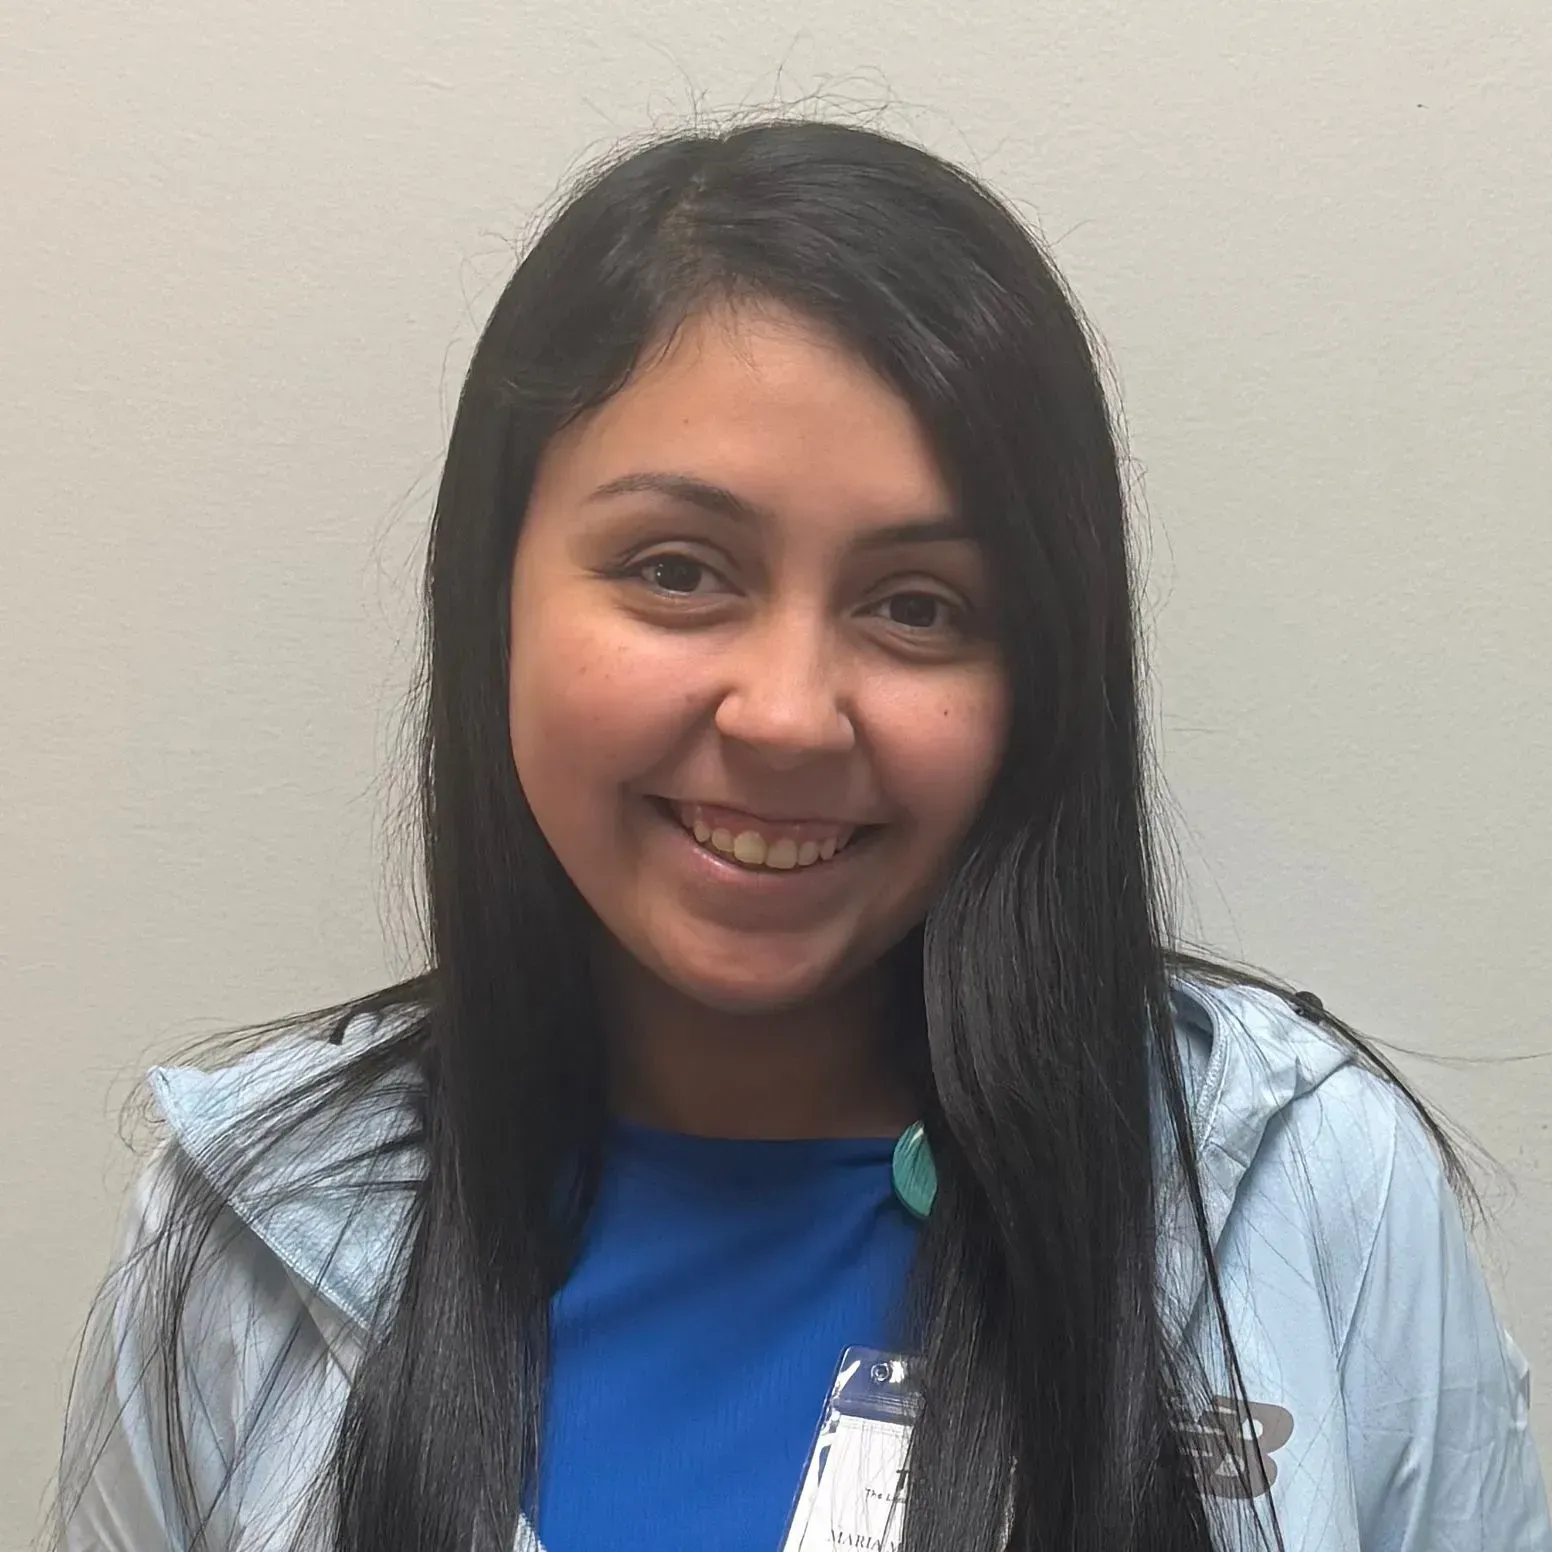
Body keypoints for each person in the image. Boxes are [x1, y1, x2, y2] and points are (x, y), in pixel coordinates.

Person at [53, 118, 1550, 1552]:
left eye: (918, 606)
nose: (785, 716)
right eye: (676, 569)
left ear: (1041, 675)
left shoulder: (1301, 1186)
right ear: (494, 597)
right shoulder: (247, 1228)